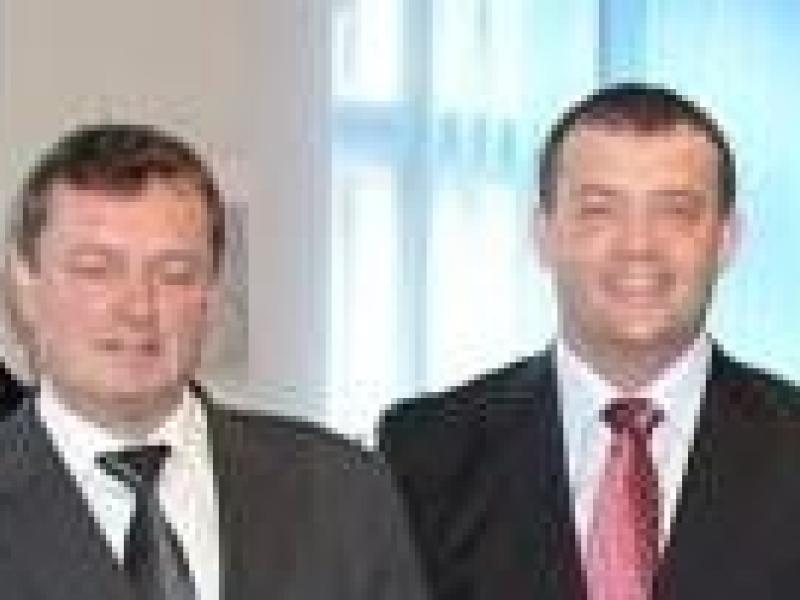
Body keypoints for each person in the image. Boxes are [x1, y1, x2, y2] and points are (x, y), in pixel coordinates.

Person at [379, 83, 800, 599]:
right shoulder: (425, 454)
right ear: (544, 235)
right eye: (600, 211)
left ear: (726, 240)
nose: (638, 246)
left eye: (675, 212)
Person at [0, 123, 426, 600]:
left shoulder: (339, 490)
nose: (138, 307)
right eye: (96, 271)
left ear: (212, 295)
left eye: (174, 273)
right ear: (25, 286)